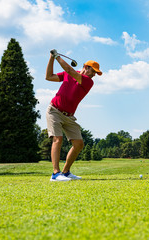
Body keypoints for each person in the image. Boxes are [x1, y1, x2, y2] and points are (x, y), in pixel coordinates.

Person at [45, 49, 102, 181]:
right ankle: (55, 174)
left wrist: (57, 56)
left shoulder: (88, 81)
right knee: (57, 139)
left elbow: (70, 71)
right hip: (54, 111)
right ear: (85, 67)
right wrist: (52, 58)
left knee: (79, 144)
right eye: (93, 71)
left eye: (95, 73)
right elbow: (48, 77)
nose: (94, 74)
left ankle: (65, 172)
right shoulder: (67, 74)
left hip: (69, 116)